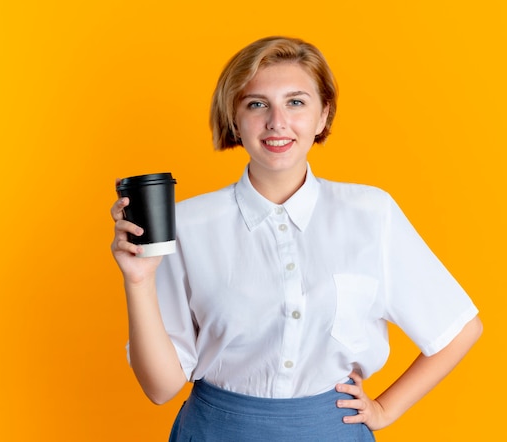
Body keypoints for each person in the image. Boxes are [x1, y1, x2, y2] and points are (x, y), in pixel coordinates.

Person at [110, 36, 482, 441]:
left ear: (323, 115)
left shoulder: (371, 213)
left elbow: (459, 328)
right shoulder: (187, 224)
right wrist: (139, 280)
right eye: (256, 104)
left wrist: (385, 409)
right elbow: (160, 388)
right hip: (216, 431)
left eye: (296, 102)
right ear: (234, 118)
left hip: (331, 431)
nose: (276, 121)